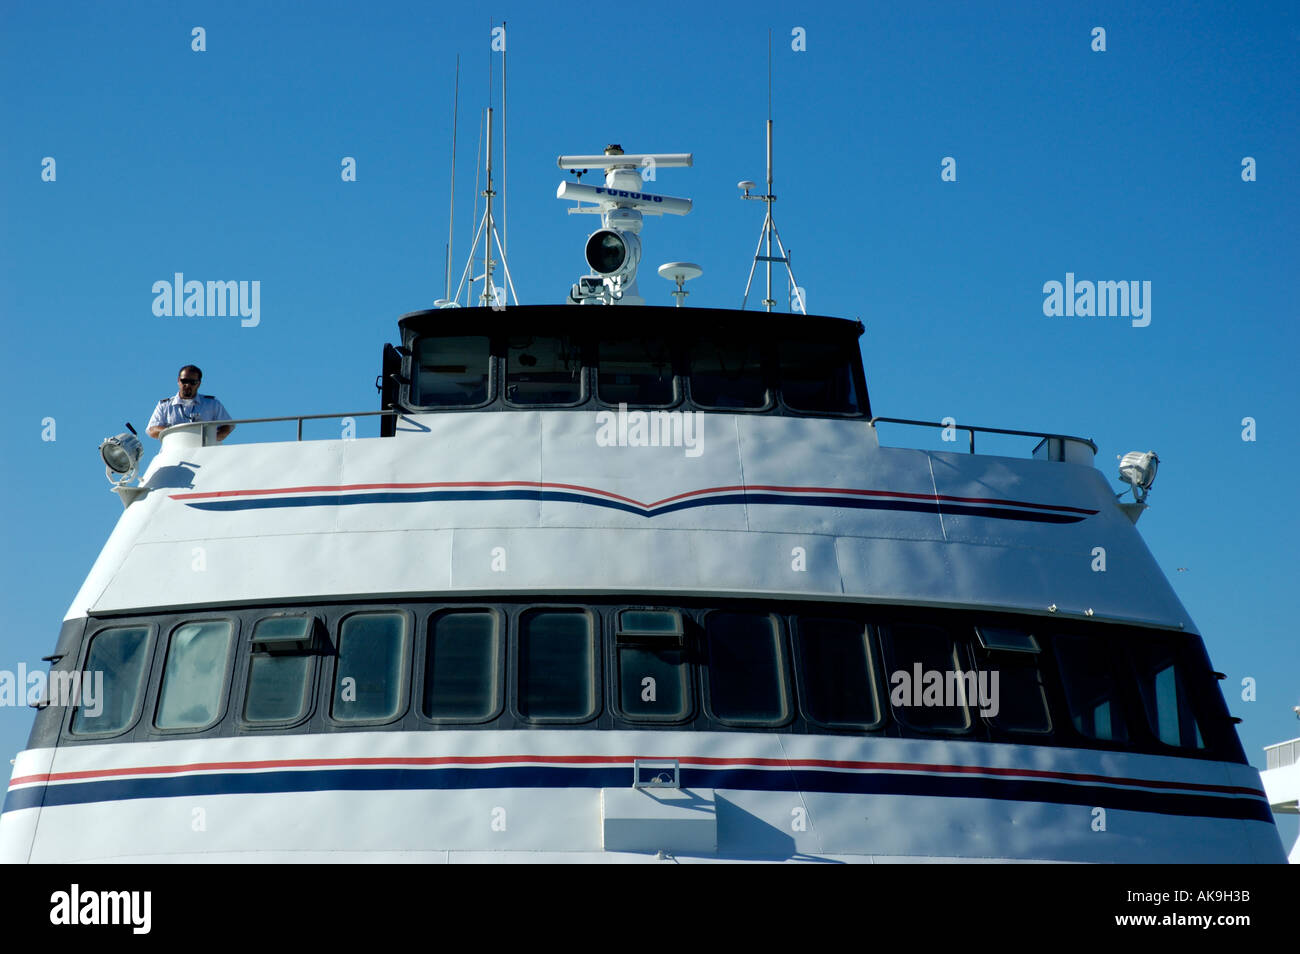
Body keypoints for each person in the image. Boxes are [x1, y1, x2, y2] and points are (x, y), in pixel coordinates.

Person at [146, 365, 235, 441]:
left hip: (205, 455)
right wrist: (172, 432)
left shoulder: (212, 404)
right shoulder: (165, 405)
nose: (187, 385)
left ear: (198, 384)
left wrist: (210, 439)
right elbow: (152, 430)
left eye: (192, 382)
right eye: (184, 381)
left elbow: (227, 426)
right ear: (178, 381)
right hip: (173, 453)